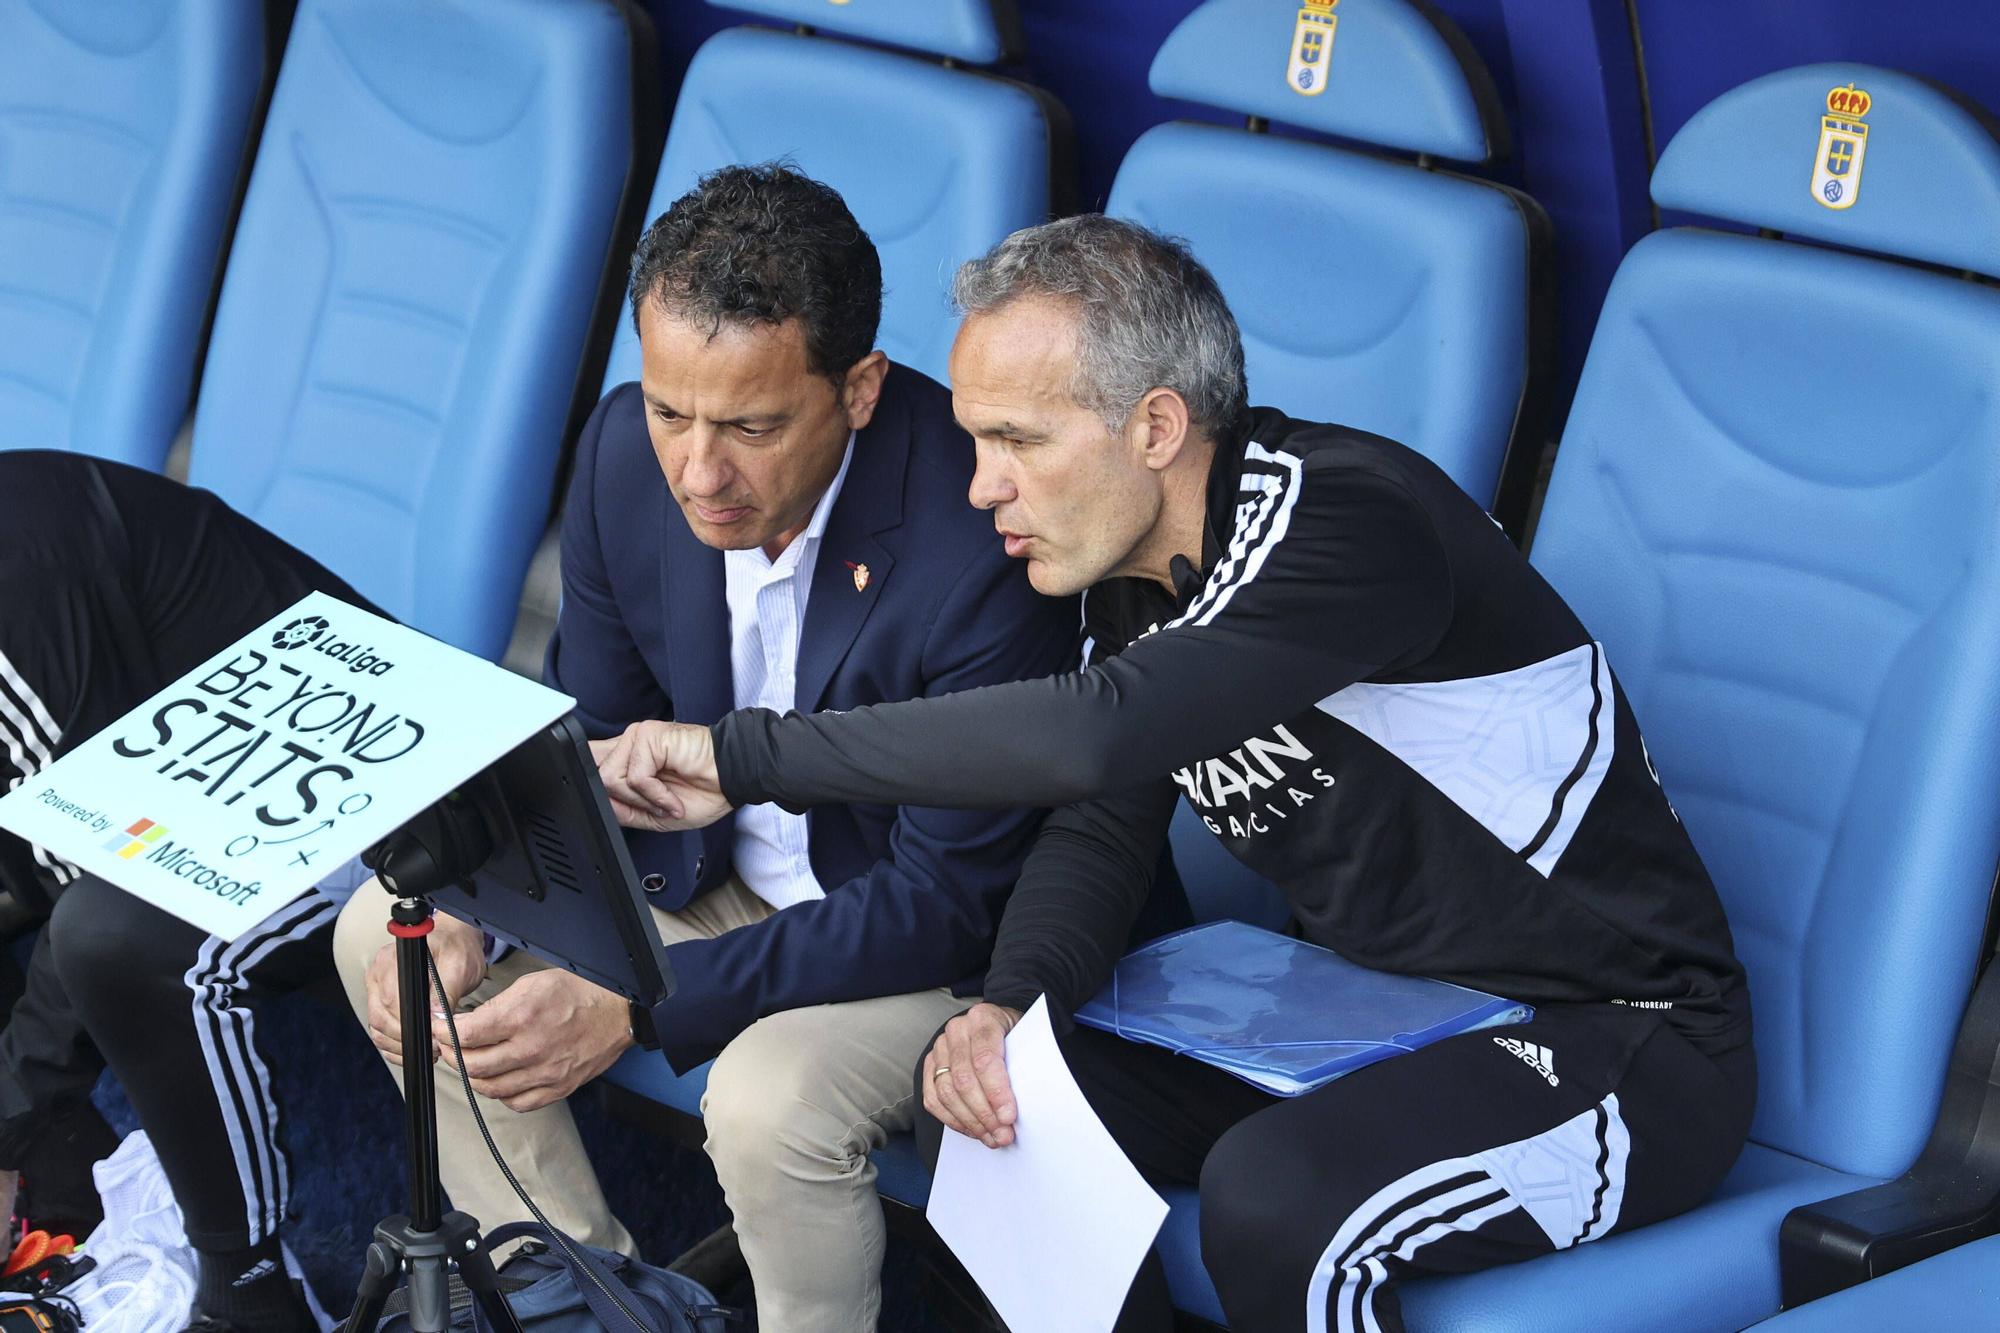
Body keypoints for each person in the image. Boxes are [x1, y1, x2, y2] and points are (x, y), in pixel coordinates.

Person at [599, 215, 1757, 1333]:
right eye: (973, 440)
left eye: (1017, 441)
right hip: (1371, 1017)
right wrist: (1009, 1007)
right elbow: (1100, 823)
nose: (979, 485)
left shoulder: (1351, 524)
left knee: (1280, 1198)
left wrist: (741, 755)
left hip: (1621, 1041)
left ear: (1154, 427)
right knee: (996, 1110)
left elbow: (1094, 734)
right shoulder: (1129, 575)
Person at [333, 164, 1084, 1333]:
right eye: (668, 411)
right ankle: (583, 1301)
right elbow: (582, 726)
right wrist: (477, 879)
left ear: (862, 388)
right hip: (699, 881)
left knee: (764, 1101)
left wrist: (638, 1002)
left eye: (750, 425)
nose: (696, 469)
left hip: (922, 941)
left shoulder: (980, 532)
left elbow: (946, 897)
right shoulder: (622, 461)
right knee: (400, 931)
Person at [0, 448, 380, 1333]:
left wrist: (7, 1126)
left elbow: (106, 874)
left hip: (363, 794)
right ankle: (61, 1191)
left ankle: (250, 1290)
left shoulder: (16, 601)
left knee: (104, 936)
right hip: (190, 799)